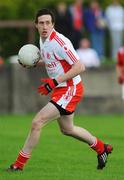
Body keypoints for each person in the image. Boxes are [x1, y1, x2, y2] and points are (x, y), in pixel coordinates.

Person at [7, 8, 113, 172]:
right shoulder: (43, 40)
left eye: (48, 23)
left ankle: (18, 165)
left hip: (70, 88)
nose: (44, 26)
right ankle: (101, 148)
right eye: (41, 23)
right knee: (67, 129)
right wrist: (33, 62)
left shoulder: (60, 42)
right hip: (61, 88)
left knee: (37, 122)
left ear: (53, 24)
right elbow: (52, 60)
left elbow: (80, 66)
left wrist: (54, 81)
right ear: (36, 25)